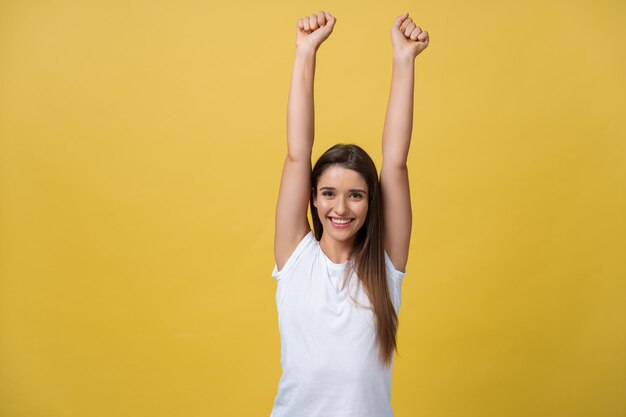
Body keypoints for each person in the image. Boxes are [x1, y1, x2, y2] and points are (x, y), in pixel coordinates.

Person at [269, 10, 429, 417]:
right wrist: (305, 52)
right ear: (313, 198)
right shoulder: (296, 258)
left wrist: (403, 60)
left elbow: (394, 162)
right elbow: (296, 153)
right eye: (328, 194)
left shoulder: (384, 266)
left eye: (356, 195)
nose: (340, 208)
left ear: (372, 202)